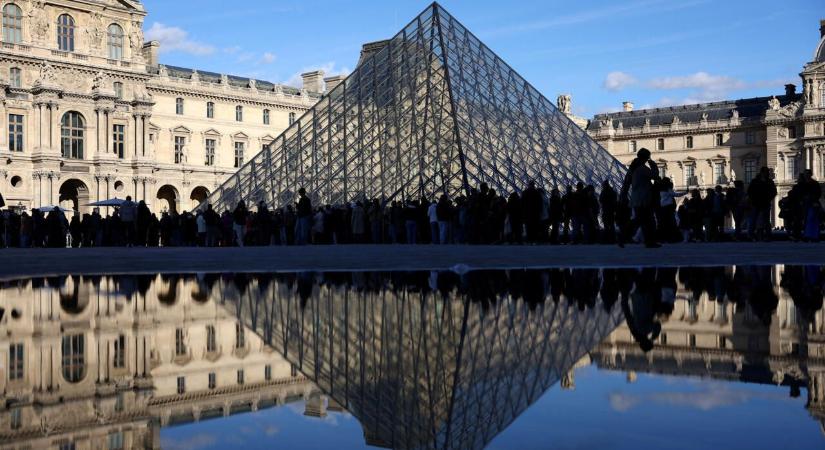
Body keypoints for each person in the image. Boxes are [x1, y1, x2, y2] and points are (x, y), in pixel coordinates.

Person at [620, 148, 661, 248]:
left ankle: (648, 241)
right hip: (644, 198)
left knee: (643, 220)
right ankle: (648, 241)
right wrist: (654, 165)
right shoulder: (642, 168)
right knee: (647, 221)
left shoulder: (632, 169)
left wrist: (623, 196)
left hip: (636, 198)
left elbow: (626, 184)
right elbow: (655, 176)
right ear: (646, 157)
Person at [747, 167, 777, 241]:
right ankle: (751, 235)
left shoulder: (769, 182)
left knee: (765, 220)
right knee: (754, 220)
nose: (767, 174)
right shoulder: (755, 181)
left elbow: (774, 192)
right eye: (766, 172)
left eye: (767, 172)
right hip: (756, 203)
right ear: (762, 173)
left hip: (765, 203)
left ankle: (767, 235)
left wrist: (768, 198)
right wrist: (753, 199)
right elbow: (749, 191)